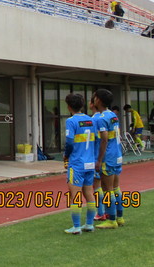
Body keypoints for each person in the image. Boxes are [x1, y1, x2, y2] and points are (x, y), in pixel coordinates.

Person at [62, 93, 96, 234]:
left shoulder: (71, 121)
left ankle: (76, 226)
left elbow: (69, 141)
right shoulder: (91, 120)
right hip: (90, 162)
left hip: (77, 162)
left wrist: (66, 156)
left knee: (74, 195)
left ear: (69, 106)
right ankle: (89, 224)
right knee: (89, 193)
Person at [94, 89, 125, 229]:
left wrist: (99, 160)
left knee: (107, 189)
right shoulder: (113, 115)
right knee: (116, 187)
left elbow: (104, 139)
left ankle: (111, 219)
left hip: (109, 157)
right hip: (117, 154)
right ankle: (120, 217)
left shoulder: (101, 118)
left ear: (98, 100)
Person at [89, 97, 105, 221]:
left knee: (97, 186)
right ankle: (109, 211)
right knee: (108, 187)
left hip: (96, 156)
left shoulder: (94, 120)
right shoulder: (107, 117)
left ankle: (100, 212)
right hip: (107, 156)